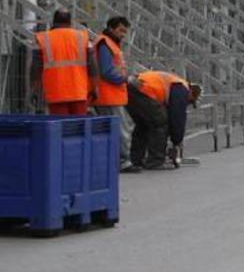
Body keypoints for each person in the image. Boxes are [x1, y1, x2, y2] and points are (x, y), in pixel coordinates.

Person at [91, 16, 140, 173]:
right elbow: (106, 71)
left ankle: (115, 161)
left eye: (125, 32)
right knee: (121, 130)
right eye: (120, 31)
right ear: (111, 28)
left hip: (111, 95)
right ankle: (123, 162)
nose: (123, 35)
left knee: (119, 129)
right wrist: (127, 79)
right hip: (108, 95)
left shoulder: (109, 44)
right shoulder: (105, 44)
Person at [125, 70, 201, 170]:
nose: (187, 104)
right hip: (144, 90)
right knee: (160, 122)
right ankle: (155, 161)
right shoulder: (182, 89)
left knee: (143, 125)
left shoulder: (175, 83)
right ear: (191, 93)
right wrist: (176, 141)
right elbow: (177, 118)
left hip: (132, 87)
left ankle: (136, 160)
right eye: (190, 102)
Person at [30, 9, 98, 115]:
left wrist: (35, 89)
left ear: (53, 22)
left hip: (55, 92)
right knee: (77, 127)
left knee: (60, 127)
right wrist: (94, 87)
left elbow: (35, 68)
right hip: (79, 92)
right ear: (70, 22)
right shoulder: (83, 37)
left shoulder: (43, 38)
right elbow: (92, 66)